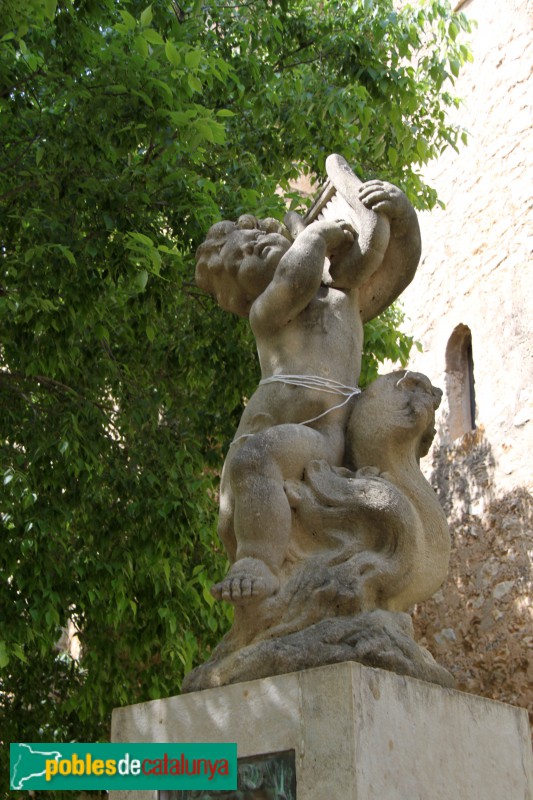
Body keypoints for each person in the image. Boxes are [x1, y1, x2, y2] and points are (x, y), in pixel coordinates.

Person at [195, 177, 420, 603]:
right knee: (255, 457)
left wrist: (403, 218)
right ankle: (258, 561)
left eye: (257, 237)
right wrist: (316, 234)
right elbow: (295, 279)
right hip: (273, 432)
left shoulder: (340, 294)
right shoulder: (266, 311)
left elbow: (393, 272)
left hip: (325, 435)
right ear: (242, 297)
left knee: (262, 456)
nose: (252, 247)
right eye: (240, 259)